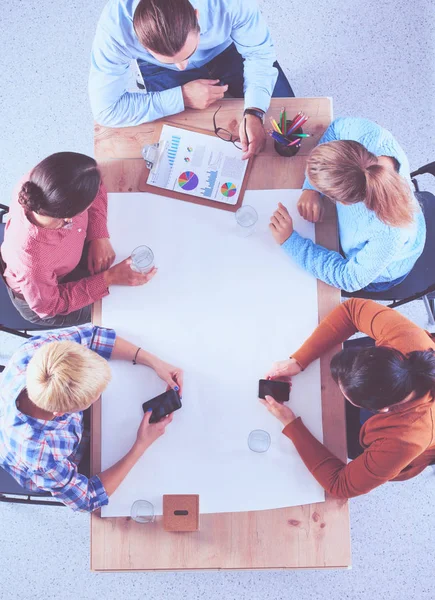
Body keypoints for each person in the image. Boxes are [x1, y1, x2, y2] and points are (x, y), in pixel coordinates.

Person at [260, 298, 435, 499]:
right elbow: (352, 310)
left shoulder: (404, 441)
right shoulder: (406, 339)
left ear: (381, 409)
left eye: (345, 394)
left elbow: (341, 485)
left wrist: (289, 423)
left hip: (407, 444)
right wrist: (299, 360)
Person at [0, 324, 183, 511]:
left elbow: (93, 336)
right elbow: (88, 499)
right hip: (57, 466)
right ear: (64, 413)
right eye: (96, 395)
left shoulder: (41, 352)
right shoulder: (42, 457)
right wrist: (140, 445)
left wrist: (154, 362)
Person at [89, 0, 294, 159]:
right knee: (182, 146)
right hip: (157, 69)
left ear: (197, 16)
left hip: (227, 47)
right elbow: (106, 111)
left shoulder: (230, 3)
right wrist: (181, 97)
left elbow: (258, 54)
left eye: (187, 55)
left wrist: (255, 110)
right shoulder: (114, 29)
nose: (182, 68)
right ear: (141, 42)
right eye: (173, 60)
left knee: (287, 118)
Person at [269, 117, 426, 292]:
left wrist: (290, 241)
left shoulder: (389, 232)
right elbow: (337, 128)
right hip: (363, 239)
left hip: (378, 271)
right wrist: (311, 189)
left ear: (342, 201)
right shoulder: (371, 137)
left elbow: (349, 279)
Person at [1, 152, 157, 327]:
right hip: (46, 300)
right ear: (71, 216)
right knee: (117, 306)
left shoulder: (42, 180)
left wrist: (99, 235)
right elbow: (50, 306)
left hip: (61, 262)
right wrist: (109, 278)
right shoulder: (33, 262)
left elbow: (96, 185)